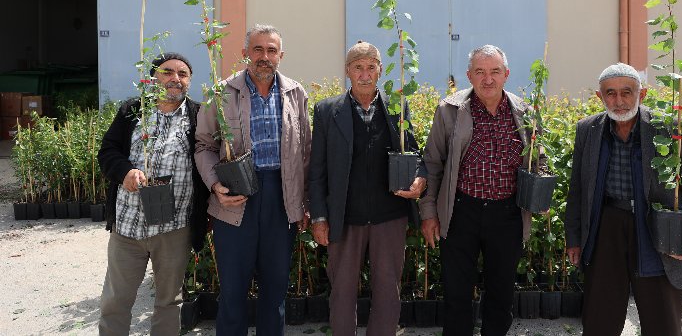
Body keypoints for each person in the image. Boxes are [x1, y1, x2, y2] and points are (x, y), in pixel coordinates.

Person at [565, 62, 682, 336]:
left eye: (626, 92)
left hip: (658, 230)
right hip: (606, 227)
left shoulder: (669, 128)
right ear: (599, 96)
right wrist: (573, 237)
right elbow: (578, 188)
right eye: (610, 93)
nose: (618, 101)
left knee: (663, 322)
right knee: (599, 319)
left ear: (641, 94)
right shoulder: (588, 129)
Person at [194, 24, 311, 335]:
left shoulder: (296, 93)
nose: (264, 56)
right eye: (258, 49)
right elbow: (204, 146)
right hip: (234, 198)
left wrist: (305, 203)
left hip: (280, 198)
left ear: (281, 56)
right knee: (232, 291)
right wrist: (216, 186)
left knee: (275, 291)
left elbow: (306, 153)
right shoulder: (221, 93)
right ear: (245, 53)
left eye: (271, 50)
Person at [308, 41, 426, 335]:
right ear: (347, 71)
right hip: (345, 217)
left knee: (388, 291)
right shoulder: (326, 111)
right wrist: (319, 217)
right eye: (358, 67)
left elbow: (412, 152)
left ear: (380, 70)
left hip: (390, 215)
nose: (364, 74)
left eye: (370, 67)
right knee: (342, 292)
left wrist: (419, 179)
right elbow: (317, 169)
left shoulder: (398, 107)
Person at [419, 45, 535, 336]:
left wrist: (540, 186)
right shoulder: (450, 110)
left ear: (506, 74)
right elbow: (432, 163)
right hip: (461, 213)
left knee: (501, 295)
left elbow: (538, 158)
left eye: (495, 71)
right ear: (469, 75)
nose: (488, 79)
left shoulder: (524, 112)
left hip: (507, 215)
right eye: (480, 72)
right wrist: (429, 213)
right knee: (457, 296)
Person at [98, 52, 209, 335]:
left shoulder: (200, 116)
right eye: (167, 72)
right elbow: (108, 151)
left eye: (182, 74)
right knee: (116, 300)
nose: (175, 78)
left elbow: (210, 158)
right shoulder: (133, 111)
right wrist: (125, 172)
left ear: (190, 81)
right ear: (153, 78)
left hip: (174, 229)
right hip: (128, 227)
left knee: (169, 302)